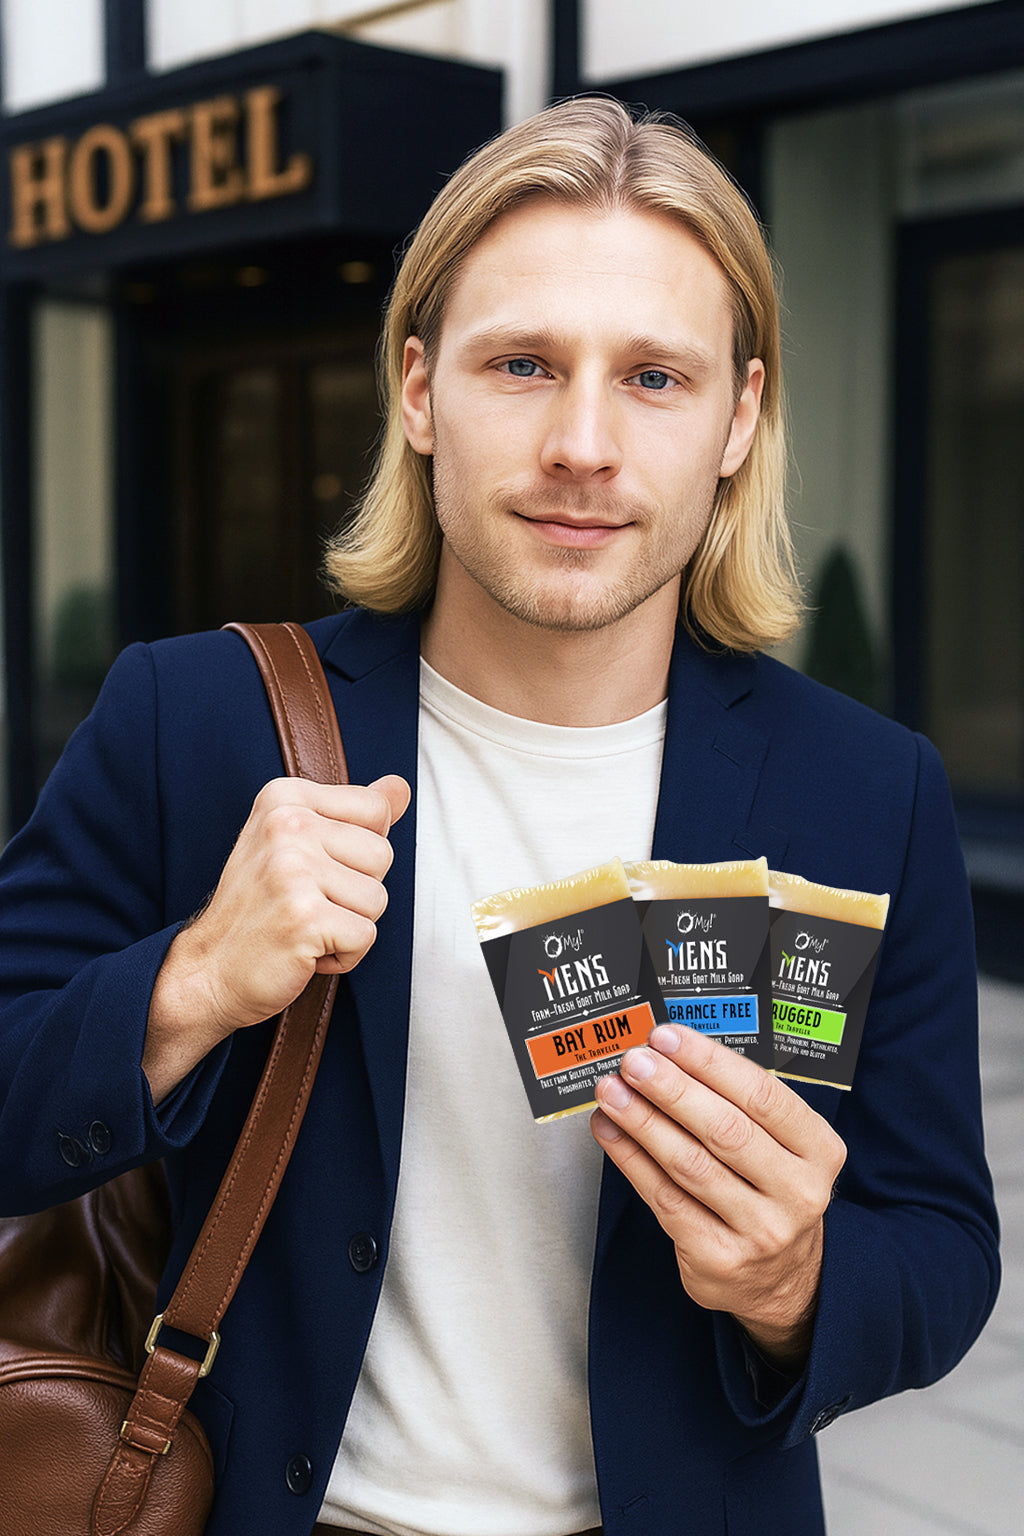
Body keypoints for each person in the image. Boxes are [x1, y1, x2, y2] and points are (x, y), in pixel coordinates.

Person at [0, 97, 999, 1536]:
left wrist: (795, 1282)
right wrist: (192, 985)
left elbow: (944, 1251)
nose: (583, 444)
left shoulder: (866, 790)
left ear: (739, 417)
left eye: (653, 377)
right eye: (522, 363)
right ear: (419, 390)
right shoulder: (195, 723)